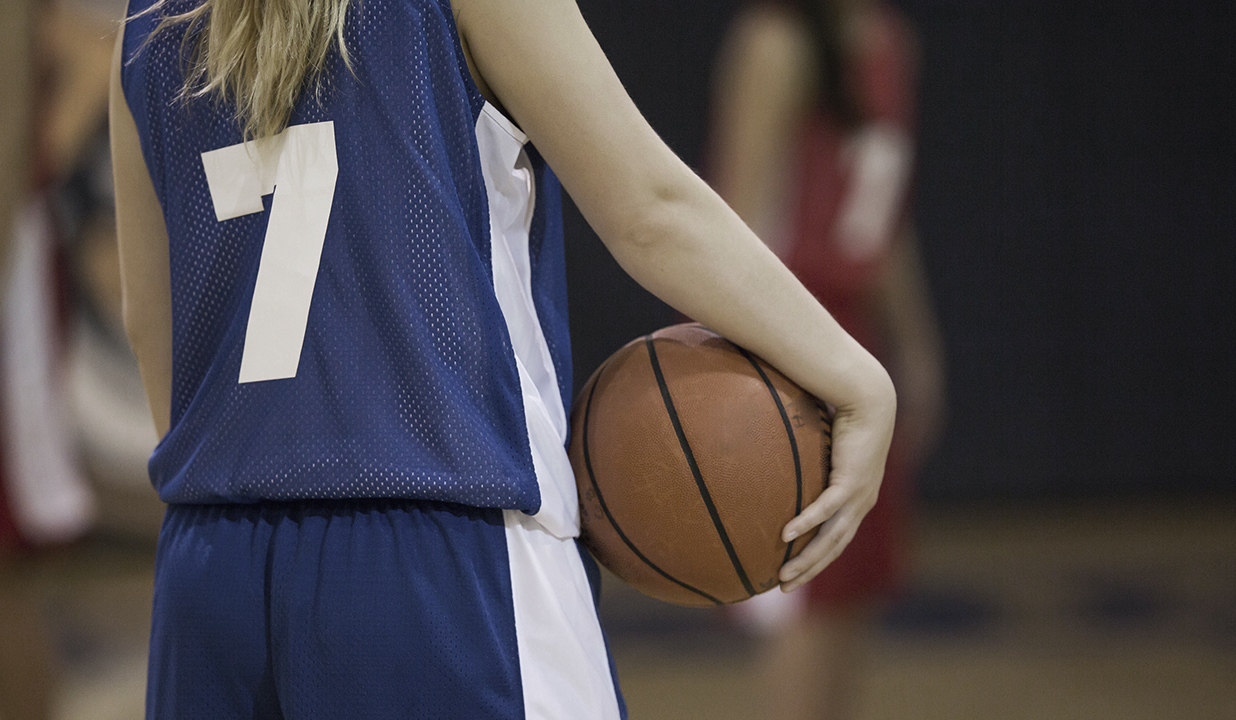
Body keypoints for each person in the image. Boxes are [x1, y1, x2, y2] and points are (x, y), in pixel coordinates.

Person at [109, 0, 898, 717]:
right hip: (437, 553)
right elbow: (651, 213)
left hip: (209, 573)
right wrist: (857, 378)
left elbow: (153, 326)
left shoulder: (146, 24)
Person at [708, 1, 944, 718]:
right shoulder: (774, 39)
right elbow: (737, 218)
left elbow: (884, 215)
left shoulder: (889, 41)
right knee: (803, 597)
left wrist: (917, 344)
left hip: (859, 340)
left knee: (849, 596)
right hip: (795, 345)